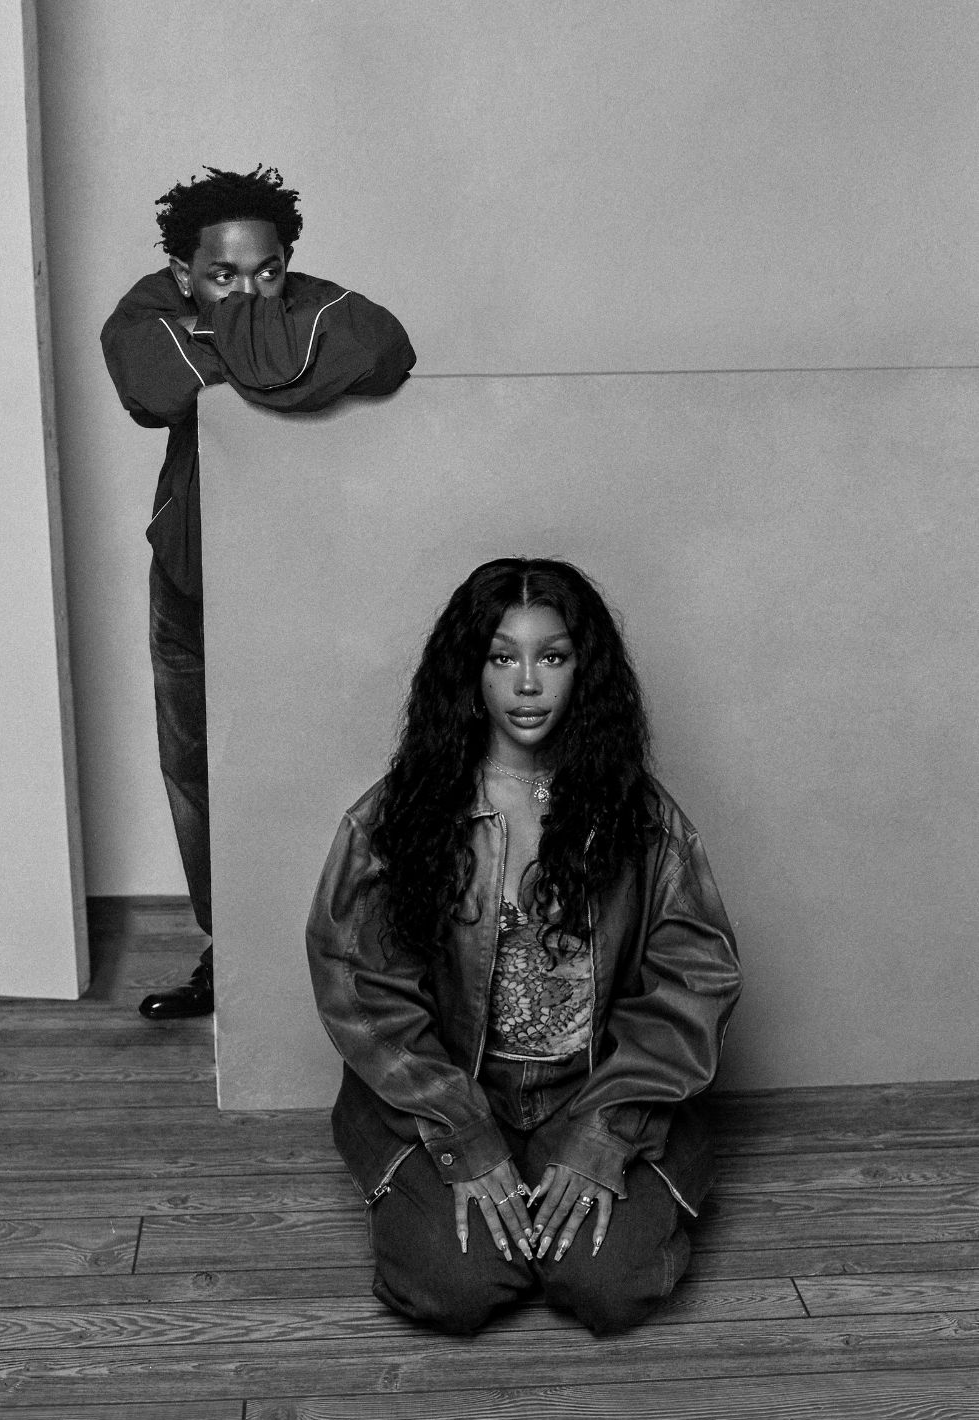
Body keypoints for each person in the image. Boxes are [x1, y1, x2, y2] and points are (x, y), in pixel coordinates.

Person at [306, 558, 742, 1335]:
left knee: (608, 1287)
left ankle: (565, 1203)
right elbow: (361, 989)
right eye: (502, 657)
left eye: (553, 656)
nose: (528, 683)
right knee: (455, 1286)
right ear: (469, 671)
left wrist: (604, 1133)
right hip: (451, 1092)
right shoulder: (396, 817)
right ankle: (491, 1211)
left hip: (595, 1088)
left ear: (583, 669)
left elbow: (693, 983)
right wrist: (464, 1135)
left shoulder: (641, 820)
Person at [101, 166, 415, 1018]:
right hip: (191, 580)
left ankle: (341, 961)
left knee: (320, 763)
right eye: (222, 275)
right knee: (196, 772)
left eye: (268, 271)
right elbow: (155, 384)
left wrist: (220, 335)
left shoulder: (327, 302)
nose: (248, 289)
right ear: (180, 273)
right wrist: (271, 342)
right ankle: (234, 955)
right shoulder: (145, 308)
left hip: (301, 577)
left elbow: (386, 350)